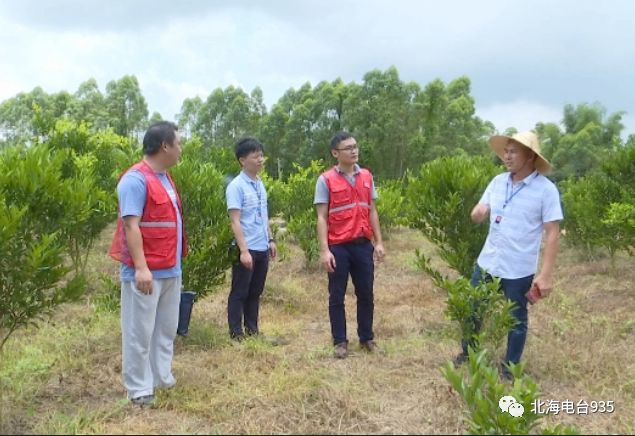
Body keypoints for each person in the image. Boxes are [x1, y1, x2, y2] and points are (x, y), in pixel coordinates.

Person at [453, 130, 563, 380]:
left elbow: (553, 233)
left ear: (530, 156)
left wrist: (545, 276)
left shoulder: (546, 190)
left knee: (516, 319)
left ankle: (509, 368)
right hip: (488, 262)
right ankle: (467, 353)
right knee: (472, 309)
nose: (507, 156)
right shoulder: (497, 182)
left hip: (518, 268)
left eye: (513, 151)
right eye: (506, 151)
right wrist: (478, 213)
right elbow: (480, 210)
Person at [109, 121, 187, 407]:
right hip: (146, 272)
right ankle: (139, 387)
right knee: (138, 332)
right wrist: (141, 268)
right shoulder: (135, 179)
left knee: (165, 328)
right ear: (164, 145)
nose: (180, 149)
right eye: (178, 143)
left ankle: (161, 377)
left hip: (170, 268)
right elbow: (131, 225)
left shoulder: (165, 178)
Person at [314, 131, 386, 359]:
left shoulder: (366, 176)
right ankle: (340, 341)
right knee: (337, 295)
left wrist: (379, 242)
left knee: (366, 293)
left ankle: (366, 337)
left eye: (355, 146)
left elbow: (371, 210)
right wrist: (324, 250)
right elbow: (322, 217)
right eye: (348, 148)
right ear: (336, 153)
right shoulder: (325, 180)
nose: (354, 151)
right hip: (339, 246)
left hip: (363, 244)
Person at [225, 137, 277, 341]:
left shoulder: (259, 184)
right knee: (240, 291)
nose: (261, 160)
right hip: (246, 248)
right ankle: (236, 334)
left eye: (261, 156)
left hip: (262, 246)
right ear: (242, 160)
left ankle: (253, 331)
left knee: (255, 291)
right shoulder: (236, 186)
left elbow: (263, 215)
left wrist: (271, 240)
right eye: (256, 156)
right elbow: (235, 221)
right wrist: (244, 251)